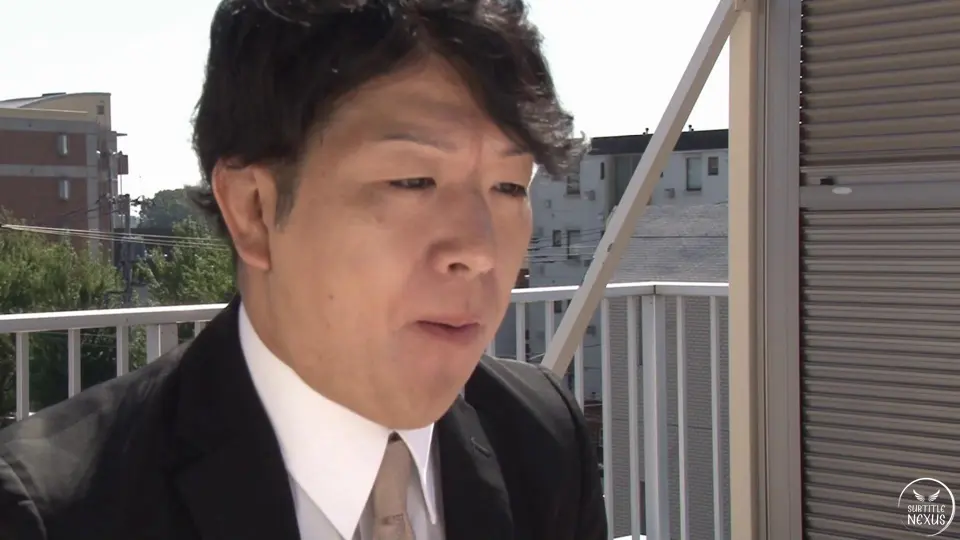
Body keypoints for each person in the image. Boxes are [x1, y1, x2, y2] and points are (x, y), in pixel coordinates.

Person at [0, 1, 606, 539]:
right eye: (414, 180)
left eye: (508, 186)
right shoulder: (56, 512)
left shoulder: (542, 439)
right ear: (254, 211)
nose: (479, 248)